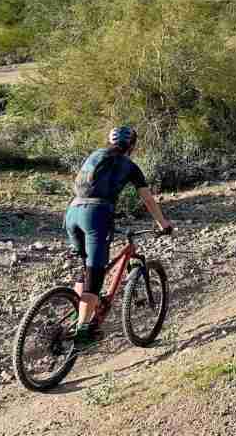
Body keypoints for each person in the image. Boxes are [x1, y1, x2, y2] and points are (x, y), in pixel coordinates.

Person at [64, 125, 172, 350]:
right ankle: (83, 331)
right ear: (131, 146)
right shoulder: (130, 166)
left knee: (83, 267)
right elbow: (148, 200)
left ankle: (79, 312)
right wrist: (163, 224)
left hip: (72, 211)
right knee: (95, 273)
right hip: (96, 215)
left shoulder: (95, 155)